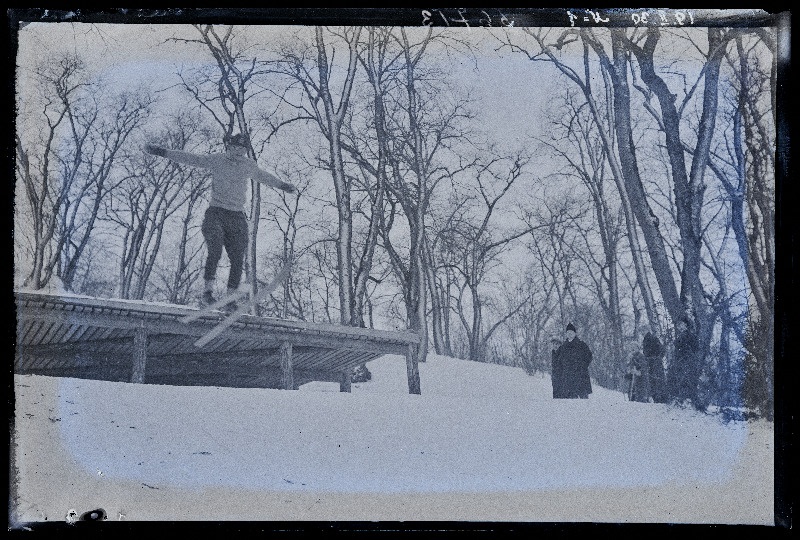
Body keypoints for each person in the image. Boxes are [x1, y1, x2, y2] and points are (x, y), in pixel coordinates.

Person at [144, 133, 296, 309]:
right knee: (215, 250)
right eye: (235, 149)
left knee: (238, 258)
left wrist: (282, 185)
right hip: (216, 213)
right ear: (228, 148)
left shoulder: (248, 165)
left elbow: (264, 176)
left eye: (242, 150)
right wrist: (162, 152)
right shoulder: (217, 160)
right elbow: (191, 159)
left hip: (237, 217)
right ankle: (207, 293)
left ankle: (230, 299)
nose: (238, 153)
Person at [556, 323, 593, 399]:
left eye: (571, 332)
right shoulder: (563, 347)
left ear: (575, 333)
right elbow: (558, 360)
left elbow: (589, 356)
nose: (569, 334)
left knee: (583, 400)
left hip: (581, 376)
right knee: (571, 402)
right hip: (567, 377)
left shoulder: (581, 345)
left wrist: (583, 366)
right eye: (568, 333)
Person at [642, 326, 667, 403]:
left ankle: (661, 399)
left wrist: (657, 358)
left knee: (657, 380)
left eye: (643, 330)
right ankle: (657, 399)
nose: (642, 333)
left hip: (655, 363)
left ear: (647, 330)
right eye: (641, 331)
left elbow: (662, 350)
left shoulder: (653, 338)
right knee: (652, 381)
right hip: (650, 363)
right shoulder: (645, 340)